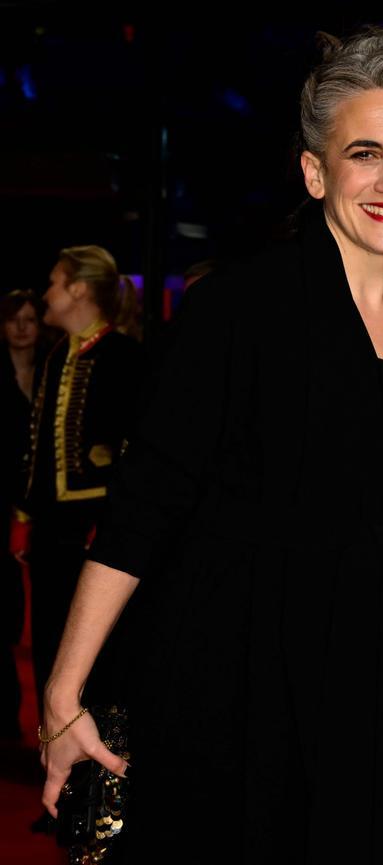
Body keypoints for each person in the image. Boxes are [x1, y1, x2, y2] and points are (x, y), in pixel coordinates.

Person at [38, 29, 383, 863]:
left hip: (380, 683)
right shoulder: (239, 309)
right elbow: (144, 504)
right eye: (363, 154)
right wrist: (62, 691)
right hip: (239, 679)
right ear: (315, 171)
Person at [19, 248, 142, 713]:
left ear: (79, 289)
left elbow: (136, 455)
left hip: (95, 528)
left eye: (54, 281)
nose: (46, 292)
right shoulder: (55, 356)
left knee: (95, 651)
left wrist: (111, 521)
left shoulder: (124, 356)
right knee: (49, 640)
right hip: (53, 528)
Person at [1, 290, 50, 737]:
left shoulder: (55, 371)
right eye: (14, 319)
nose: (21, 327)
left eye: (30, 319)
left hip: (43, 509)